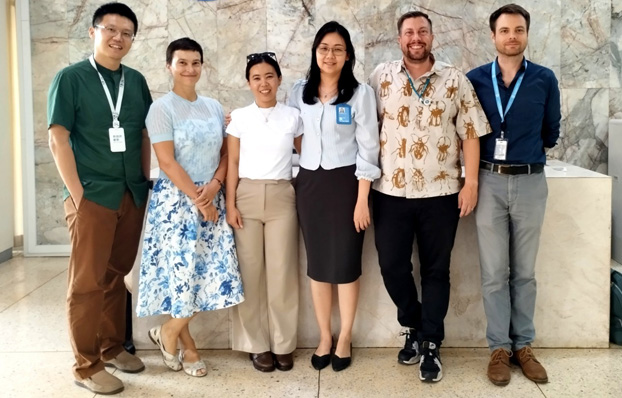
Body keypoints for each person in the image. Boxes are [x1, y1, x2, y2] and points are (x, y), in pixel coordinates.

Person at [368, 11, 489, 383]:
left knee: (437, 270)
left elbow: (470, 131)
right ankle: (414, 325)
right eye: (409, 33)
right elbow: (365, 128)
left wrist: (470, 183)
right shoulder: (381, 77)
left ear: (432, 37)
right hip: (390, 192)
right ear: (399, 38)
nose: (415, 38)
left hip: (441, 193)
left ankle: (431, 343)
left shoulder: (455, 79)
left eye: (422, 31)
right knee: (392, 266)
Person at [47, 2, 152, 394]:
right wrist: (79, 196)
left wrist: (141, 185)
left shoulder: (136, 81)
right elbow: (58, 137)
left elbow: (142, 135)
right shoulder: (71, 78)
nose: (118, 38)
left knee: (115, 276)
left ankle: (111, 347)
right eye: (110, 29)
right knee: (87, 283)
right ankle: (85, 365)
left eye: (126, 33)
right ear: (93, 32)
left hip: (129, 194)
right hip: (92, 195)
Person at [135, 38, 244, 378]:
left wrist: (213, 188)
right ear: (169, 66)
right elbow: (166, 161)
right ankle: (188, 346)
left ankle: (167, 332)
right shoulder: (161, 109)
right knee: (182, 277)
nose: (189, 69)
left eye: (195, 62)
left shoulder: (213, 106)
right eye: (182, 62)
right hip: (176, 204)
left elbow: (227, 154)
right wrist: (200, 201)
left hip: (211, 196)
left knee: (210, 275)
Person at [466, 3, 560, 386]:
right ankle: (499, 349)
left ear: (526, 34)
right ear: (493, 36)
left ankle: (524, 346)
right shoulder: (475, 79)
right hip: (488, 181)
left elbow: (550, 132)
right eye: (504, 30)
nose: (511, 36)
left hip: (530, 181)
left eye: (518, 30)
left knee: (524, 273)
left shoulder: (543, 78)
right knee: (493, 273)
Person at [288, 21, 380, 372]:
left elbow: (369, 148)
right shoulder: (298, 92)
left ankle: (345, 336)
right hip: (310, 184)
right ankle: (324, 335)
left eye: (338, 49)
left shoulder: (360, 94)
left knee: (345, 265)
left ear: (348, 55)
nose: (330, 55)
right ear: (315, 52)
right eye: (324, 48)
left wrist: (361, 200)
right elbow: (291, 135)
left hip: (347, 185)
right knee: (318, 266)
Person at [225, 52, 302, 372]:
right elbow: (232, 163)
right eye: (256, 77)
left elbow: (309, 155)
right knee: (251, 274)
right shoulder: (239, 118)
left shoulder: (293, 117)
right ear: (248, 83)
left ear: (279, 79)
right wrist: (230, 204)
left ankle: (284, 344)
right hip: (247, 195)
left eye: (269, 76)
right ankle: (256, 345)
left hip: (283, 195)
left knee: (283, 273)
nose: (263, 83)